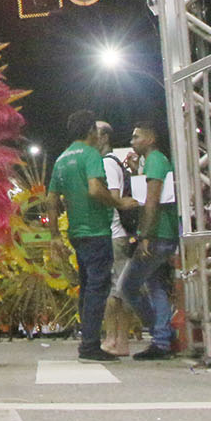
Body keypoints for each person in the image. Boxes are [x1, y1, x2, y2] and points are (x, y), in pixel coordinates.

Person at [47, 110, 138, 362]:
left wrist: (55, 235)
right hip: (97, 231)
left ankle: (87, 341)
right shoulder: (91, 156)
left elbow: (52, 200)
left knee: (87, 288)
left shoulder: (61, 159)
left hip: (76, 232)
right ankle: (89, 345)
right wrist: (119, 203)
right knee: (98, 288)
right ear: (90, 131)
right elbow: (96, 189)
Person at [117, 122, 178, 360]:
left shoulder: (154, 161)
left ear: (151, 138)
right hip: (163, 233)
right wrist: (135, 172)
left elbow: (151, 202)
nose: (132, 141)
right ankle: (163, 337)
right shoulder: (155, 161)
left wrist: (145, 236)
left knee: (127, 286)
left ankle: (161, 337)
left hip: (157, 235)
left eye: (136, 137)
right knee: (155, 287)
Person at [99, 130, 139, 356]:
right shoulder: (118, 164)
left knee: (115, 289)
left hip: (116, 233)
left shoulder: (107, 164)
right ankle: (119, 339)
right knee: (121, 287)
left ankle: (114, 339)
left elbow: (113, 197)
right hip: (123, 232)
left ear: (103, 137)